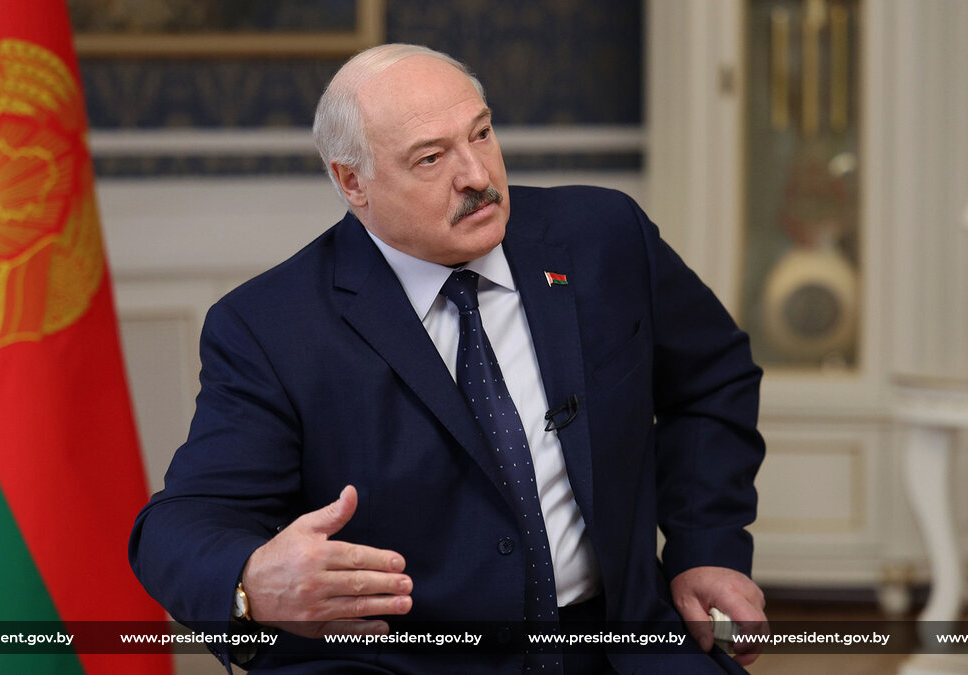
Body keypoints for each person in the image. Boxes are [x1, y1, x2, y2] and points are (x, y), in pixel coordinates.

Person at [129, 43, 767, 674]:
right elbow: (180, 524)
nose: (478, 176)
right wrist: (248, 583)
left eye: (481, 134)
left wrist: (705, 546)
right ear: (352, 182)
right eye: (431, 158)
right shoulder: (271, 327)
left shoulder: (603, 236)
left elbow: (711, 380)